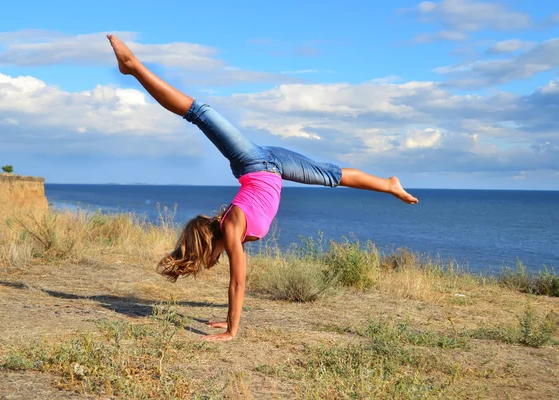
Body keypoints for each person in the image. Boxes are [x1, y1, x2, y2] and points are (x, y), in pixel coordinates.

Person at [107, 34, 418, 342]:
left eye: (209, 260)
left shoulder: (230, 230)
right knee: (332, 176)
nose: (214, 263)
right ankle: (389, 185)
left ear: (210, 244)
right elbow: (236, 280)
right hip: (276, 165)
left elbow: (237, 284)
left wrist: (231, 331)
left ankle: (133, 66)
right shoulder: (233, 232)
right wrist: (225, 316)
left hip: (252, 161)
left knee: (199, 114)